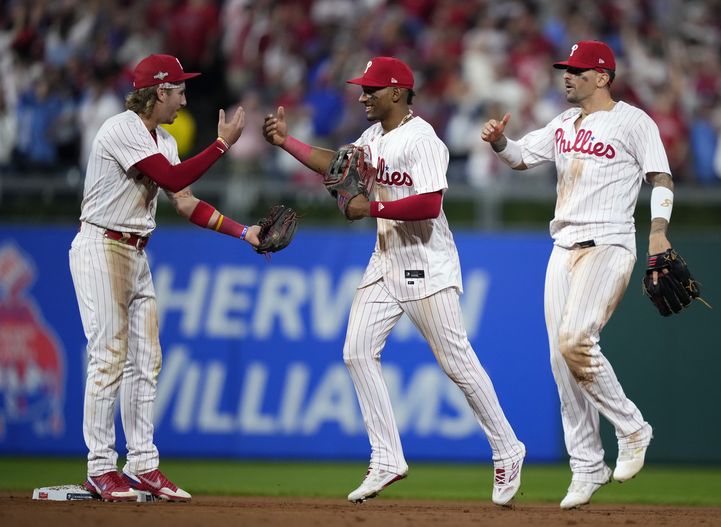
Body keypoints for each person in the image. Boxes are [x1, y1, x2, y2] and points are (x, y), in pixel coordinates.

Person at [263, 56, 526, 506]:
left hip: (426, 261)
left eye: (371, 89)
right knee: (356, 351)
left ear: (397, 93)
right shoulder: (373, 137)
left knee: (457, 363)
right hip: (384, 259)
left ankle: (507, 448)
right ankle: (386, 457)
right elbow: (338, 164)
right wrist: (288, 143)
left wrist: (372, 208)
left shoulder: (423, 140)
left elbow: (429, 204)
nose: (363, 95)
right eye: (362, 89)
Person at [481, 40, 668, 509]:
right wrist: (501, 143)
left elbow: (660, 177)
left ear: (602, 77)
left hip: (608, 243)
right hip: (562, 248)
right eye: (565, 68)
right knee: (561, 364)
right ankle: (587, 466)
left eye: (578, 70)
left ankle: (632, 428)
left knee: (576, 341)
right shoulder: (564, 123)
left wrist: (659, 233)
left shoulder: (633, 121)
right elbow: (523, 158)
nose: (567, 75)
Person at [69, 54, 251, 502]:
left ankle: (143, 465)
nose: (185, 98)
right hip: (101, 246)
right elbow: (169, 176)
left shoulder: (163, 140)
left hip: (135, 253)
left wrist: (244, 232)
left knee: (146, 360)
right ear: (157, 92)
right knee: (109, 356)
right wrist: (221, 146)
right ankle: (99, 467)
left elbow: (185, 201)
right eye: (179, 90)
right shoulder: (121, 128)